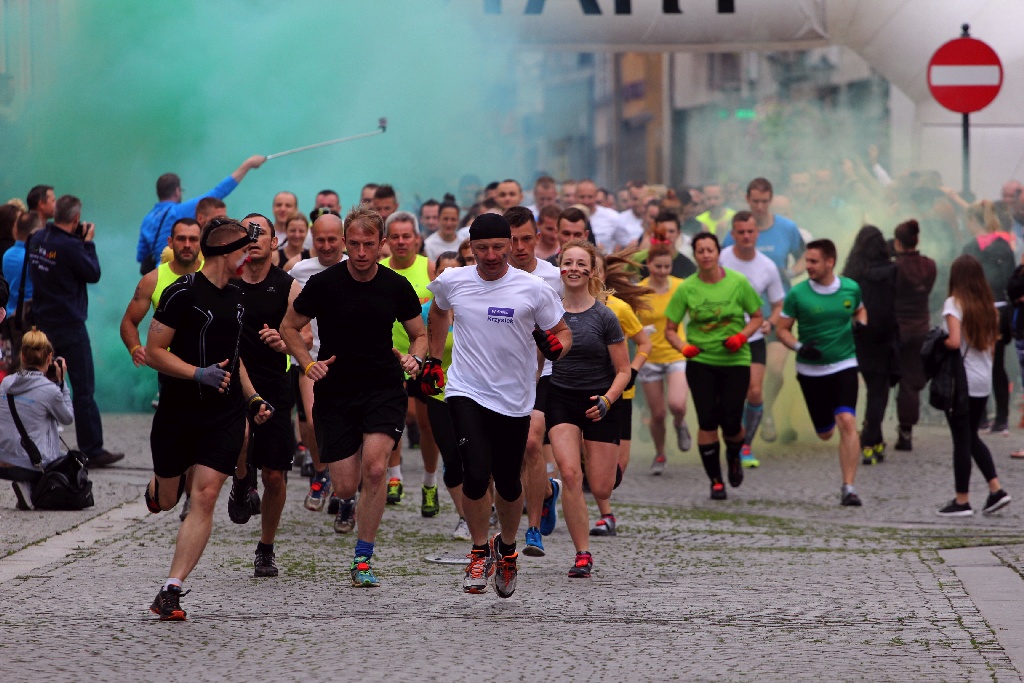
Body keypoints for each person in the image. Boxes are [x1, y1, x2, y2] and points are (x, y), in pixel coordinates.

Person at [425, 213, 570, 597]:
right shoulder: (453, 280)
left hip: (515, 397)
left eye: (498, 247)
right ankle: (478, 550)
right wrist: (434, 359)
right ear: (471, 248)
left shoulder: (533, 288)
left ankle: (505, 548)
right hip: (466, 390)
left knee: (507, 480)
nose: (491, 255)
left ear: (510, 244)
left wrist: (558, 347)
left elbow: (562, 331)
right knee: (475, 473)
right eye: (482, 248)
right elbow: (438, 310)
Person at [281, 207, 426, 588]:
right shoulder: (324, 284)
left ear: (382, 244)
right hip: (337, 391)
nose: (361, 252)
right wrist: (307, 363)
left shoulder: (396, 286)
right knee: (346, 485)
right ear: (346, 243)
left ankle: (363, 557)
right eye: (355, 244)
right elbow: (289, 326)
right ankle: (346, 496)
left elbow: (420, 334)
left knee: (375, 470)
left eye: (369, 245)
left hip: (383, 387)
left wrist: (415, 358)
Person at [144, 217, 274, 621]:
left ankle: (171, 590)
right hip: (178, 413)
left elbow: (235, 358)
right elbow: (154, 352)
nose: (248, 257)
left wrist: (252, 397)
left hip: (224, 413)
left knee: (204, 496)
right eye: (244, 250)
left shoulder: (238, 297)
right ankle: (157, 488)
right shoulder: (181, 293)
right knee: (168, 501)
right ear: (225, 253)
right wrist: (197, 373)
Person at [546, 241, 630, 576]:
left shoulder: (605, 316)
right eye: (568, 262)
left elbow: (623, 370)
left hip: (600, 402)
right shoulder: (549, 313)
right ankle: (582, 553)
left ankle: (608, 468)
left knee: (601, 488)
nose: (574, 269)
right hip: (560, 398)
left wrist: (608, 400)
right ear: (560, 268)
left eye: (582, 263)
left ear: (592, 270)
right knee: (569, 474)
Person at [228, 213, 303, 577]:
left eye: (261, 234)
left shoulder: (289, 286)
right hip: (231, 383)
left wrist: (284, 342)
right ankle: (242, 480)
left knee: (275, 476)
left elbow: (306, 338)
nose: (253, 239)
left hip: (275, 384)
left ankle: (266, 547)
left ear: (275, 242)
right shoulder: (226, 283)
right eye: (247, 233)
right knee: (241, 439)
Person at [665, 232, 763, 500]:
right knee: (707, 421)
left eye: (710, 250)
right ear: (695, 255)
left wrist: (742, 336)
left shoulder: (738, 282)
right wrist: (683, 347)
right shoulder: (687, 288)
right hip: (701, 363)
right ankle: (716, 481)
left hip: (735, 360)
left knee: (731, 422)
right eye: (701, 251)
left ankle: (733, 456)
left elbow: (757, 317)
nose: (706, 255)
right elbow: (670, 329)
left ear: (718, 253)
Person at [29, 195, 123, 468]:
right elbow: (93, 273)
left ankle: (34, 446)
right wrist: (88, 243)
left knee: (40, 384)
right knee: (83, 390)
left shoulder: (37, 238)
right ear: (76, 219)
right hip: (69, 326)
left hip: (42, 324)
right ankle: (92, 449)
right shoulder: (71, 246)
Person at [775, 239, 867, 507]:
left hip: (844, 364)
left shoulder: (850, 288)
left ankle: (849, 487)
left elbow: (860, 310)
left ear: (830, 262)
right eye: (807, 260)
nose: (808, 266)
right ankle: (825, 425)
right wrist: (800, 347)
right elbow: (781, 329)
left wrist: (860, 326)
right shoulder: (797, 294)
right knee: (825, 433)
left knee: (847, 421)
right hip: (810, 371)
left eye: (813, 261)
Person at [722, 178, 806, 445]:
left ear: (771, 200)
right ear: (747, 200)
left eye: (764, 201)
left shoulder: (787, 228)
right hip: (742, 319)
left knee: (776, 370)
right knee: (746, 379)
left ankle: (766, 409)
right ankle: (751, 416)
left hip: (778, 313)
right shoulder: (736, 231)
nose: (760, 206)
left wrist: (791, 272)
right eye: (755, 201)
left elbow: (805, 255)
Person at [505, 206, 565, 557]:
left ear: (538, 238)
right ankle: (546, 491)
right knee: (504, 452)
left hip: (545, 373)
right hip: (502, 375)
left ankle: (532, 530)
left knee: (531, 443)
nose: (519, 247)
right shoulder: (492, 275)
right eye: (513, 240)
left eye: (526, 239)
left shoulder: (554, 277)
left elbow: (576, 317)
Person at [286, 213, 350, 529]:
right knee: (313, 422)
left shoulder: (357, 266)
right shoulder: (299, 271)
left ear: (343, 239)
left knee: (350, 429)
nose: (325, 246)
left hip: (351, 362)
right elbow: (284, 311)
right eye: (320, 240)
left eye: (332, 240)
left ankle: (345, 493)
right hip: (311, 361)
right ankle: (322, 473)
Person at [936, 255, 1012, 516]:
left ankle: (962, 500)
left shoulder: (954, 303)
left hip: (962, 381)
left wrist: (937, 340)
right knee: (971, 436)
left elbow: (954, 342)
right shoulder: (989, 307)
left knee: (961, 439)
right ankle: (996, 490)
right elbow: (992, 349)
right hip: (982, 381)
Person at [588, 250, 652, 536]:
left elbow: (645, 344)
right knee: (587, 457)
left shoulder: (620, 308)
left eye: (598, 269)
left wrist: (633, 371)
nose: (593, 274)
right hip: (584, 391)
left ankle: (603, 493)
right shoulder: (566, 306)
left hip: (620, 395)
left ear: (604, 274)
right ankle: (606, 515)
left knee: (616, 469)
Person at [382, 210, 440, 514]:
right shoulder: (378, 268)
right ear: (387, 241)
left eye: (407, 236)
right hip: (388, 355)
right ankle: (395, 477)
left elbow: (442, 309)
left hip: (422, 355)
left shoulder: (428, 267)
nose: (401, 242)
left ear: (417, 239)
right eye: (396, 237)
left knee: (427, 424)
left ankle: (430, 483)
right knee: (392, 420)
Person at [718, 211, 786, 468]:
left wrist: (771, 322)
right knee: (728, 395)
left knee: (755, 391)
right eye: (741, 232)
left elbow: (778, 303)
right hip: (723, 336)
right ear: (733, 234)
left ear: (757, 233)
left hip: (754, 336)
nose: (746, 236)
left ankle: (745, 444)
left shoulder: (767, 266)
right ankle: (731, 437)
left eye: (750, 231)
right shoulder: (721, 259)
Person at [136, 155, 265, 272]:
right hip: (178, 269)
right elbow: (218, 192)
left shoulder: (147, 219)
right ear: (177, 191)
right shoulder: (178, 211)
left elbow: (141, 256)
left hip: (158, 273)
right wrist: (247, 165)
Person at [842, 225, 900, 465]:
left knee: (861, 389)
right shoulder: (892, 271)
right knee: (878, 390)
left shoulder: (852, 274)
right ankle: (869, 441)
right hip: (885, 336)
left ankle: (870, 438)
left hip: (859, 335)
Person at [422, 252, 470, 539]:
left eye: (455, 271)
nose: (448, 277)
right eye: (443, 272)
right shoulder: (427, 311)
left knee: (477, 458)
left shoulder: (474, 305)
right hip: (440, 394)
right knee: (452, 459)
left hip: (474, 392)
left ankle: (484, 508)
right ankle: (465, 517)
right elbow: (417, 341)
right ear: (435, 276)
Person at [0, 328, 74, 509]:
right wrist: (62, 383)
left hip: (2, 461)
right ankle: (31, 487)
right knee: (65, 461)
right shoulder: (50, 391)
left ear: (22, 357)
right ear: (49, 359)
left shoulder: (6, 383)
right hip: (28, 465)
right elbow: (67, 418)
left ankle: (27, 486)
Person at [962, 199, 1016, 435]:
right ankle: (1002, 418)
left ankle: (980, 416)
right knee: (997, 365)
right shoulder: (1005, 246)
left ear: (973, 221)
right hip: (1000, 309)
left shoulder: (970, 248)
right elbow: (1010, 282)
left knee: (975, 363)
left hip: (977, 309)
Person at [637, 244, 692, 474]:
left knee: (677, 404)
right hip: (650, 358)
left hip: (676, 353)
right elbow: (629, 323)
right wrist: (640, 332)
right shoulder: (639, 290)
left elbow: (695, 312)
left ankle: (680, 423)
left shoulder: (680, 286)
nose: (662, 271)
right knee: (658, 414)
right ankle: (660, 454)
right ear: (649, 264)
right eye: (657, 266)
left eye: (666, 267)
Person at [892, 220, 936, 452]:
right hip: (920, 329)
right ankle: (906, 431)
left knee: (882, 379)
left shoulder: (894, 268)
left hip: (896, 329)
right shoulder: (929, 265)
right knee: (910, 382)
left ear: (897, 242)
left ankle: (872, 429)